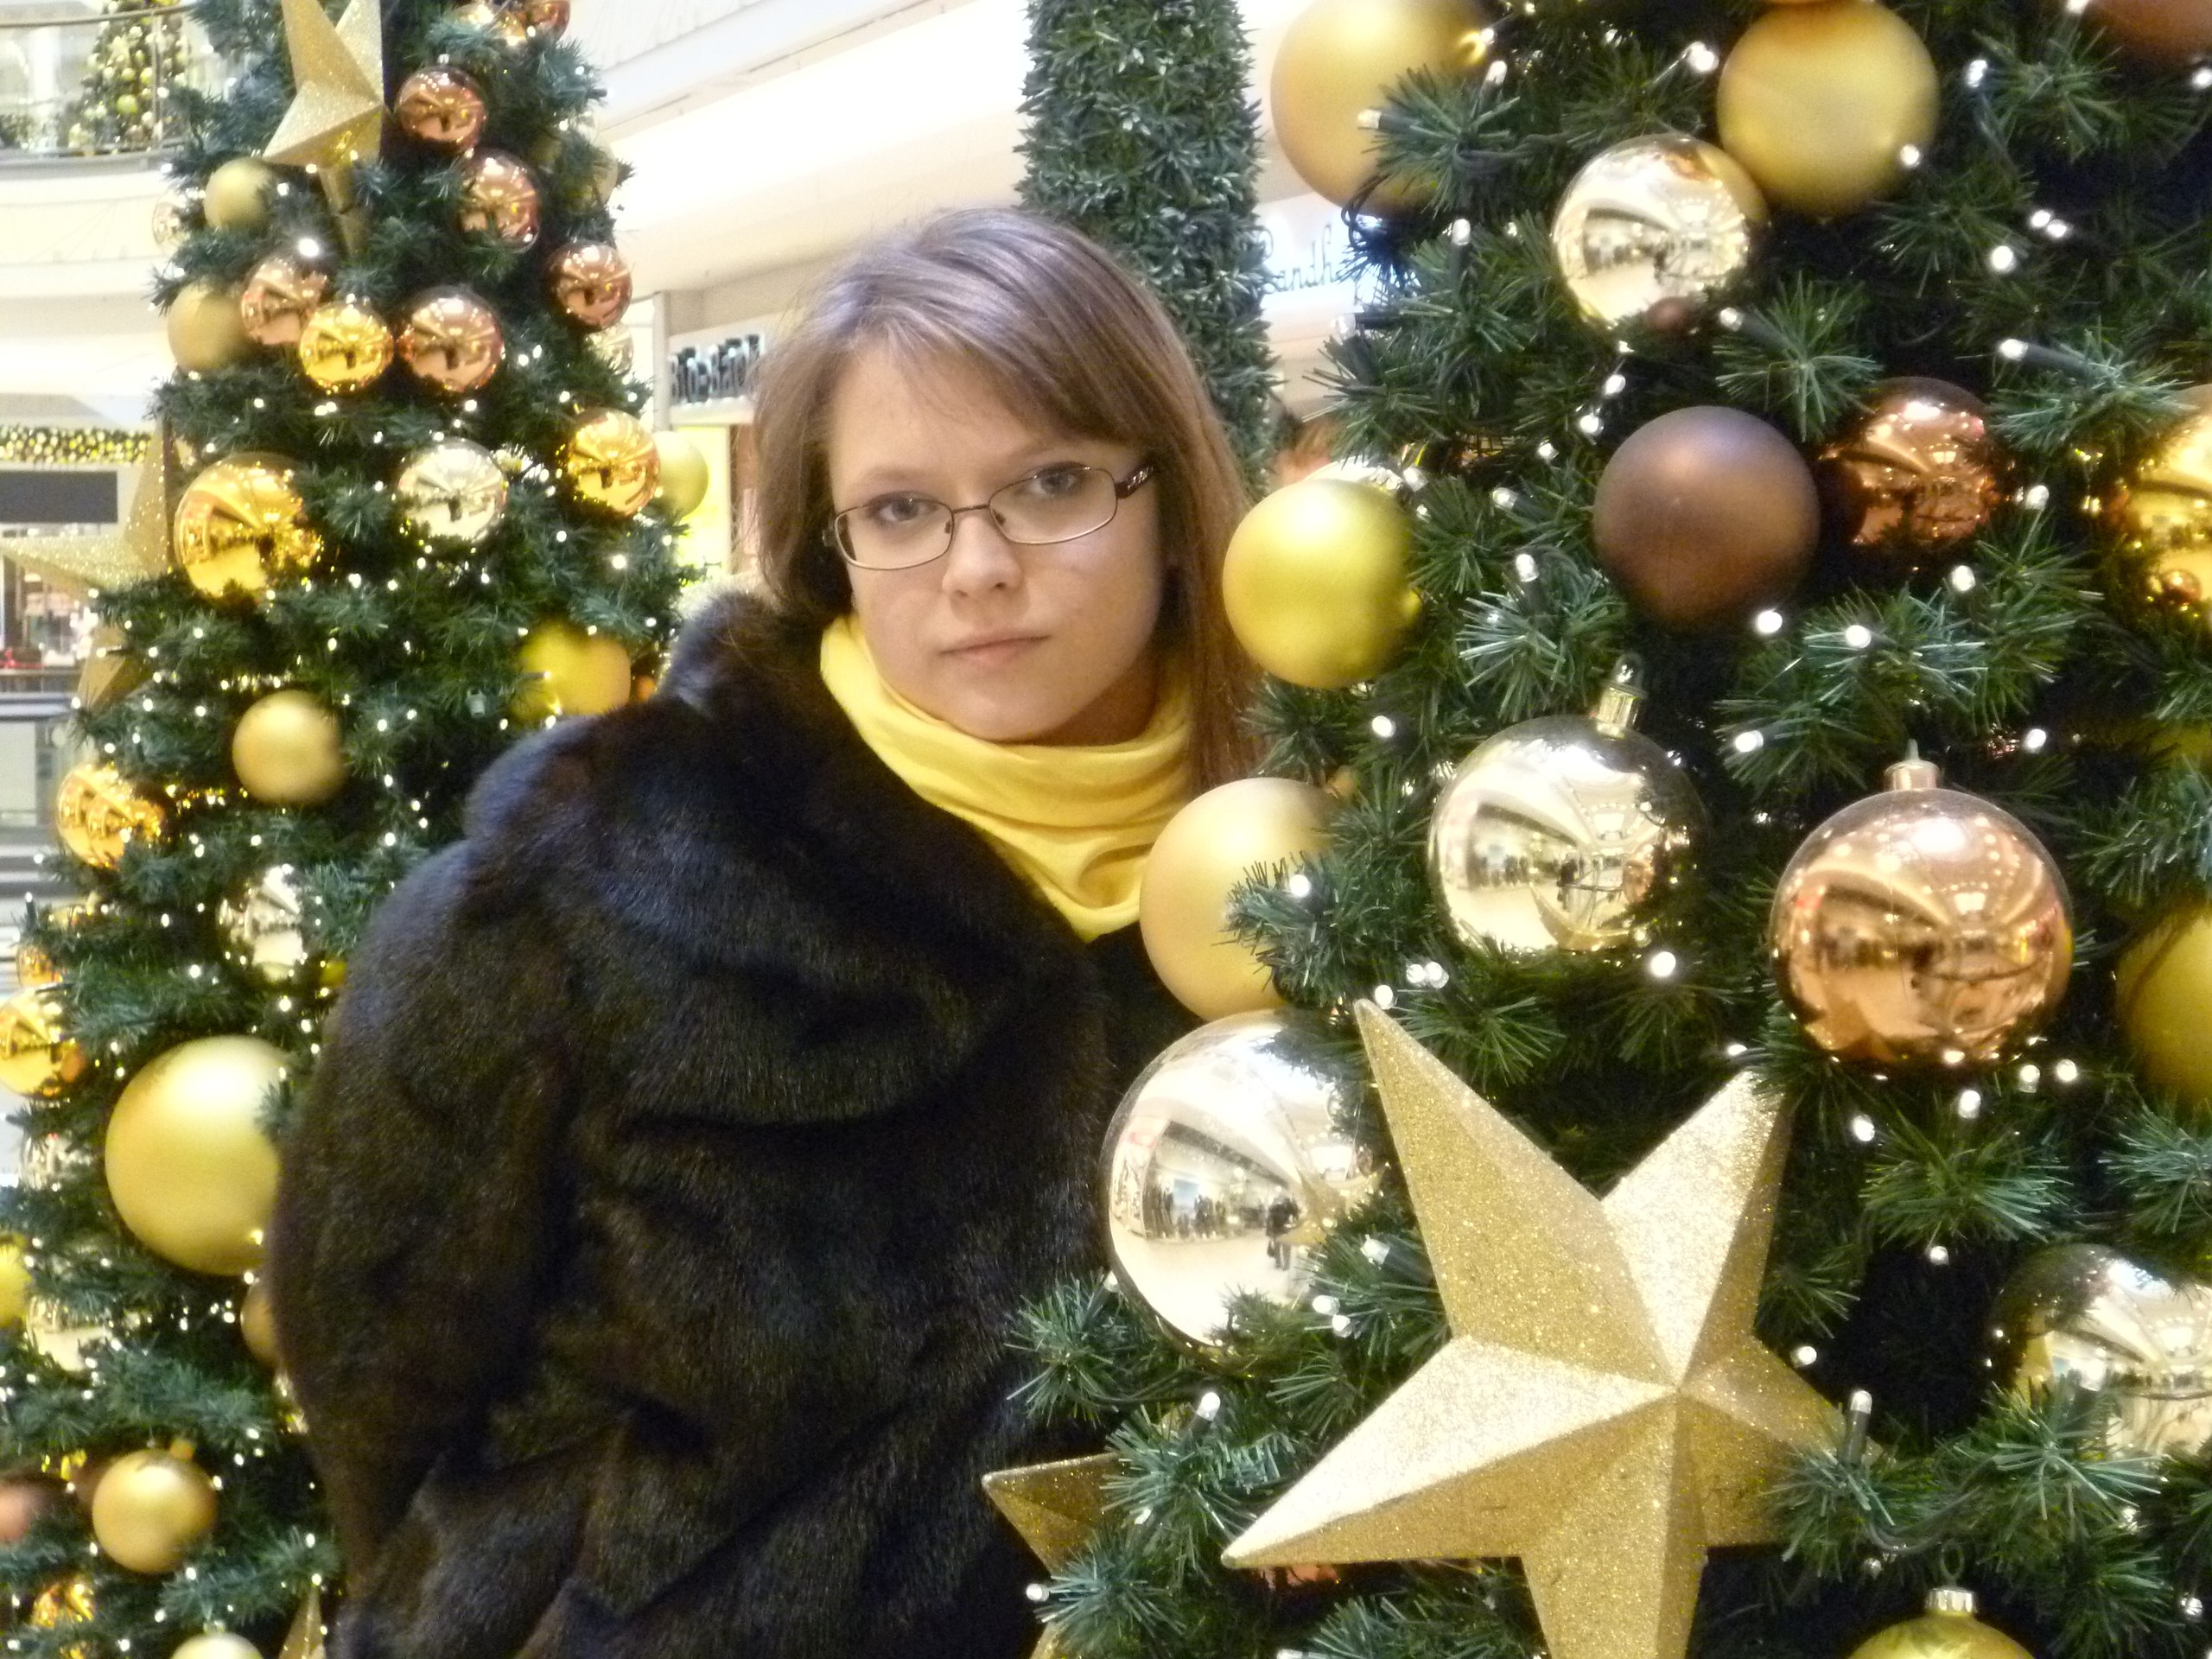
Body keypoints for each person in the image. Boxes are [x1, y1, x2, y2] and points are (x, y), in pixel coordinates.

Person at [268, 206, 1256, 1658]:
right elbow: (374, 1360)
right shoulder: (598, 874)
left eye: (1051, 484)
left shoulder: (1309, 876)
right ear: (831, 542)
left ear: (1167, 498)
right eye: (902, 511)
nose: (978, 568)